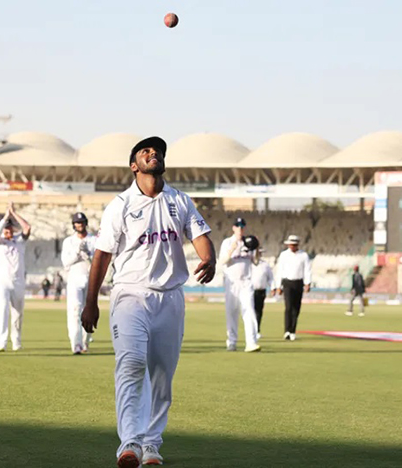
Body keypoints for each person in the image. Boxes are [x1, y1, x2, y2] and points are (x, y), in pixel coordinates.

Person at [81, 136, 216, 468]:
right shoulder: (121, 205)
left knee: (161, 375)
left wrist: (209, 258)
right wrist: (91, 301)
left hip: (170, 298)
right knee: (131, 365)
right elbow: (102, 256)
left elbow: (199, 235)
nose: (153, 153)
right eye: (145, 151)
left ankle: (152, 445)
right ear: (133, 165)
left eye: (157, 151)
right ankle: (129, 443)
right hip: (130, 294)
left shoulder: (180, 200)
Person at [0, 202, 31, 352]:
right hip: (2, 281)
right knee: (2, 310)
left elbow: (27, 228)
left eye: (10, 229)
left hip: (18, 282)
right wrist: (5, 218)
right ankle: (1, 342)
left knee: (17, 314)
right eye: (6, 230)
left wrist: (14, 214)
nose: (8, 232)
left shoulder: (19, 242)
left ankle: (16, 341)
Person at [219, 217, 260, 352]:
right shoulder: (227, 242)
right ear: (233, 228)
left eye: (242, 226)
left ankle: (251, 342)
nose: (240, 229)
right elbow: (223, 261)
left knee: (249, 311)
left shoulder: (249, 242)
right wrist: (232, 249)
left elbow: (255, 262)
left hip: (246, 282)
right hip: (231, 282)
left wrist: (257, 249)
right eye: (238, 226)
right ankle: (232, 341)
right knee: (232, 312)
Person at [61, 212, 97, 354]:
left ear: (85, 223)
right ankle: (75, 344)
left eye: (81, 222)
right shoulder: (68, 241)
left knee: (89, 310)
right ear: (73, 225)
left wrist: (89, 254)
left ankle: (85, 343)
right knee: (75, 311)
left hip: (90, 280)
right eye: (77, 223)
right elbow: (65, 263)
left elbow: (97, 262)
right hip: (74, 279)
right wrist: (77, 253)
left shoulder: (93, 240)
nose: (79, 225)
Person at [273, 234, 311, 341]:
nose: (292, 246)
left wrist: (308, 283)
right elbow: (279, 270)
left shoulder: (303, 255)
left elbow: (307, 270)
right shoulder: (284, 255)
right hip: (287, 282)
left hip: (298, 282)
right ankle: (287, 331)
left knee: (296, 308)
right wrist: (278, 286)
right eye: (290, 245)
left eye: (294, 245)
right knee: (288, 307)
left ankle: (293, 330)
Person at [251, 244, 274, 338]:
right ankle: (250, 330)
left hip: (261, 291)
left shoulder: (265, 265)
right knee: (250, 311)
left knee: (259, 311)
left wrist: (273, 288)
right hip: (250, 290)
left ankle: (257, 330)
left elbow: (270, 278)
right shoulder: (248, 263)